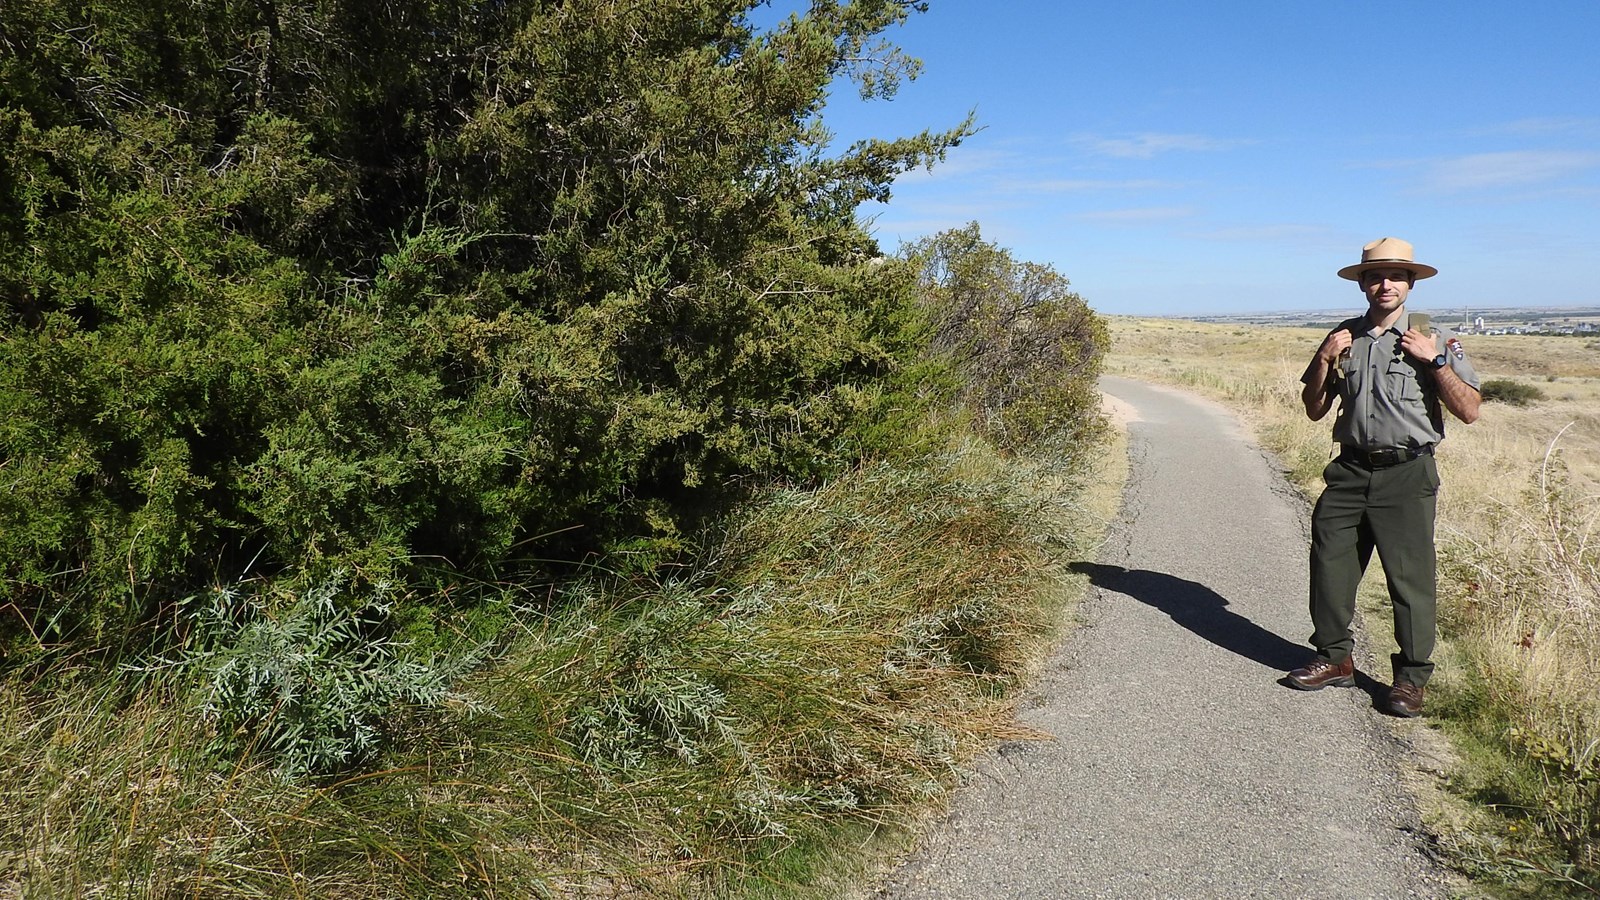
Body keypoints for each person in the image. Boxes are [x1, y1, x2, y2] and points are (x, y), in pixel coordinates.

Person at [1288, 237, 1481, 717]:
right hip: (1350, 470)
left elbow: (1470, 410)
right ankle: (1335, 658)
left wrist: (1433, 362)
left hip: (1407, 473)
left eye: (1396, 276)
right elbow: (1315, 410)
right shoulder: (1343, 335)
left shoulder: (1434, 339)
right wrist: (1325, 360)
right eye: (1375, 276)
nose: (1385, 284)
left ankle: (1411, 679)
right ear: (1363, 284)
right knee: (1329, 565)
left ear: (1411, 283)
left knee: (1409, 580)